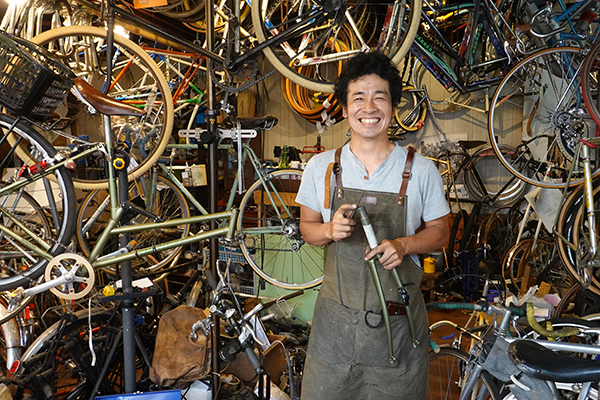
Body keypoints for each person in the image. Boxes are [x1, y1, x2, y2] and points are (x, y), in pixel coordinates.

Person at [295, 51, 450, 399]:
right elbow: (308, 228)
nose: (369, 107)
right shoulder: (321, 167)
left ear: (392, 107)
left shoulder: (421, 170)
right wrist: (328, 231)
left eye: (380, 97)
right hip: (335, 329)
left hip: (396, 329)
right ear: (346, 109)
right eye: (358, 98)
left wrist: (404, 245)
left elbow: (441, 232)